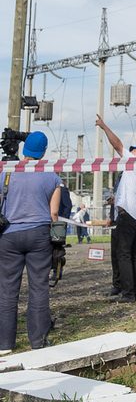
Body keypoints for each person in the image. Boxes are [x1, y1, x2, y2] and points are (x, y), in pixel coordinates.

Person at [0, 131, 61, 354]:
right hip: (38, 235)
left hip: (8, 235)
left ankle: (4, 344)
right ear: (43, 152)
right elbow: (54, 213)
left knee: (7, 289)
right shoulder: (51, 176)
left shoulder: (6, 173)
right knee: (38, 287)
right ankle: (38, 341)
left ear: (24, 150)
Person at [94, 115, 136, 303]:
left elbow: (117, 144)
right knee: (135, 255)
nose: (131, 152)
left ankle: (128, 294)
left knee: (123, 254)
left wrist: (104, 127)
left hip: (127, 216)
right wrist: (116, 199)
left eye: (135, 150)